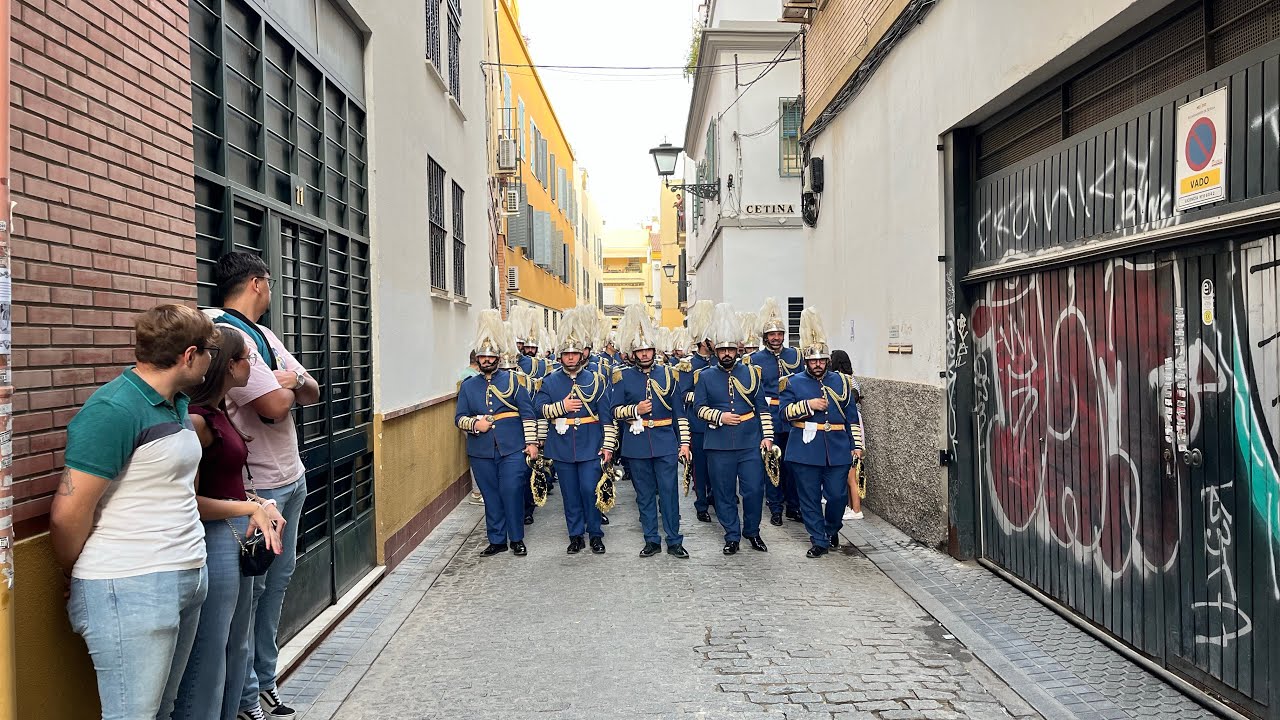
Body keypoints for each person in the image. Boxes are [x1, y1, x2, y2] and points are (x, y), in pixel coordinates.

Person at [51, 304, 216, 720]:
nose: (212, 362)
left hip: (183, 575)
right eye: (209, 353)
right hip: (128, 584)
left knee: (164, 710)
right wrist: (70, 570)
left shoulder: (175, 403)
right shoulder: (114, 410)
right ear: (189, 355)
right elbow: (68, 512)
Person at [208, 251, 319, 720]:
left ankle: (266, 683)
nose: (271, 290)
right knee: (250, 596)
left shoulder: (265, 336)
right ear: (257, 284)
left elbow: (310, 388)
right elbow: (274, 406)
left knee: (277, 586)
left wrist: (289, 380)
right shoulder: (224, 334)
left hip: (291, 476)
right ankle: (247, 698)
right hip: (256, 492)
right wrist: (287, 387)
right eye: (270, 282)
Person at [174, 328, 286, 720]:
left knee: (238, 644)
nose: (251, 364)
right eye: (246, 358)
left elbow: (230, 484)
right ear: (228, 364)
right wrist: (245, 510)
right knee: (213, 650)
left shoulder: (221, 411)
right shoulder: (198, 420)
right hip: (215, 540)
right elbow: (189, 501)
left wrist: (258, 503)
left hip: (236, 535)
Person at [779, 308, 864, 558]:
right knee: (809, 499)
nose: (817, 365)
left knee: (837, 496)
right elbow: (783, 413)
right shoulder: (793, 382)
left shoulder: (842, 382)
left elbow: (852, 417)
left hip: (837, 448)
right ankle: (818, 539)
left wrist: (856, 445)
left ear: (827, 360)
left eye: (821, 360)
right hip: (805, 449)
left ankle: (830, 528)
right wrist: (808, 406)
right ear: (807, 361)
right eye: (813, 361)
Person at [693, 303, 774, 555]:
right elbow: (699, 408)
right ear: (715, 351)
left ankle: (752, 531)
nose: (726, 353)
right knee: (723, 493)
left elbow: (762, 407)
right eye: (722, 349)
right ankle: (731, 535)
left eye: (730, 349)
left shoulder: (751, 373)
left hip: (749, 441)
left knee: (753, 490)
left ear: (737, 349)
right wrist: (720, 416)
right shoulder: (705, 376)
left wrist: (768, 436)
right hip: (717, 443)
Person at [456, 311, 540, 555]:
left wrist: (532, 443)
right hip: (481, 451)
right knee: (491, 497)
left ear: (499, 356)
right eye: (482, 356)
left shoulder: (516, 381)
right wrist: (474, 425)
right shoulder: (469, 386)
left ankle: (516, 538)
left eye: (491, 356)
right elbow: (458, 418)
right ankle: (496, 540)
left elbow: (528, 414)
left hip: (513, 448)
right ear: (478, 359)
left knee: (511, 491)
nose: (487, 360)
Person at [535, 307, 617, 554]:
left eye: (574, 354)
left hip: (591, 444)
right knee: (570, 495)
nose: (570, 358)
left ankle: (595, 534)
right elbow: (539, 409)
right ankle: (575, 535)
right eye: (566, 354)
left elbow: (607, 416)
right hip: (561, 447)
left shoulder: (596, 379)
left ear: (581, 355)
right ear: (560, 357)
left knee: (589, 490)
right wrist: (562, 407)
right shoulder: (550, 381)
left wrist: (608, 446)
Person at [610, 306, 689, 559]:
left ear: (654, 351)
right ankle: (651, 540)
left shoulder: (669, 374)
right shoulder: (621, 377)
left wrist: (684, 443)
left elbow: (679, 412)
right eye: (639, 351)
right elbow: (614, 411)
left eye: (647, 350)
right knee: (644, 496)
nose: (644, 354)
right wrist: (635, 409)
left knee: (669, 494)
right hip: (637, 444)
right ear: (633, 354)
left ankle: (674, 540)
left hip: (665, 441)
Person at [752, 298, 803, 527]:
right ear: (765, 338)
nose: (776, 338)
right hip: (769, 415)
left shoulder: (795, 356)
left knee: (793, 464)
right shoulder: (755, 360)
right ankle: (775, 508)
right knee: (771, 461)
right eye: (772, 335)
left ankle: (794, 506)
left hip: (792, 416)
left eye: (780, 334)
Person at [681, 300, 717, 522]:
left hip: (719, 424)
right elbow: (684, 394)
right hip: (698, 424)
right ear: (704, 341)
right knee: (701, 468)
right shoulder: (689, 365)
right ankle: (701, 503)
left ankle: (716, 496)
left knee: (719, 466)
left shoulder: (719, 361)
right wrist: (706, 397)